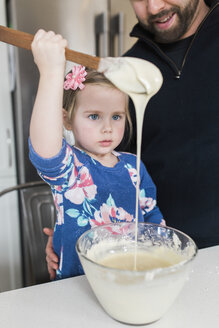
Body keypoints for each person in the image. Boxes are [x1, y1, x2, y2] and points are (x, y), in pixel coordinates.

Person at [45, 0, 219, 279]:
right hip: (154, 264)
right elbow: (106, 169)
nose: (153, 7)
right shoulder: (127, 72)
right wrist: (70, 229)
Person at [29, 30, 164, 279]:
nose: (107, 128)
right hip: (77, 284)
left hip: (129, 278)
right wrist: (51, 73)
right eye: (94, 116)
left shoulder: (134, 167)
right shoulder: (70, 167)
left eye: (116, 116)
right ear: (66, 120)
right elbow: (45, 152)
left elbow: (152, 214)